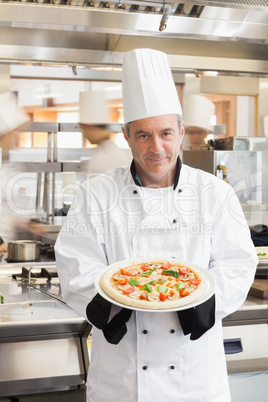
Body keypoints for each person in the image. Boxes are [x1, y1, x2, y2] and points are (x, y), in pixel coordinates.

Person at [55, 49, 257, 402]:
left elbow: (238, 264)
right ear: (126, 135)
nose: (157, 148)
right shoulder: (95, 194)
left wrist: (199, 305)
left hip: (194, 377)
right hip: (123, 378)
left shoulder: (215, 193)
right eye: (143, 135)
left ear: (180, 132)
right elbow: (76, 266)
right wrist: (115, 305)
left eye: (165, 132)